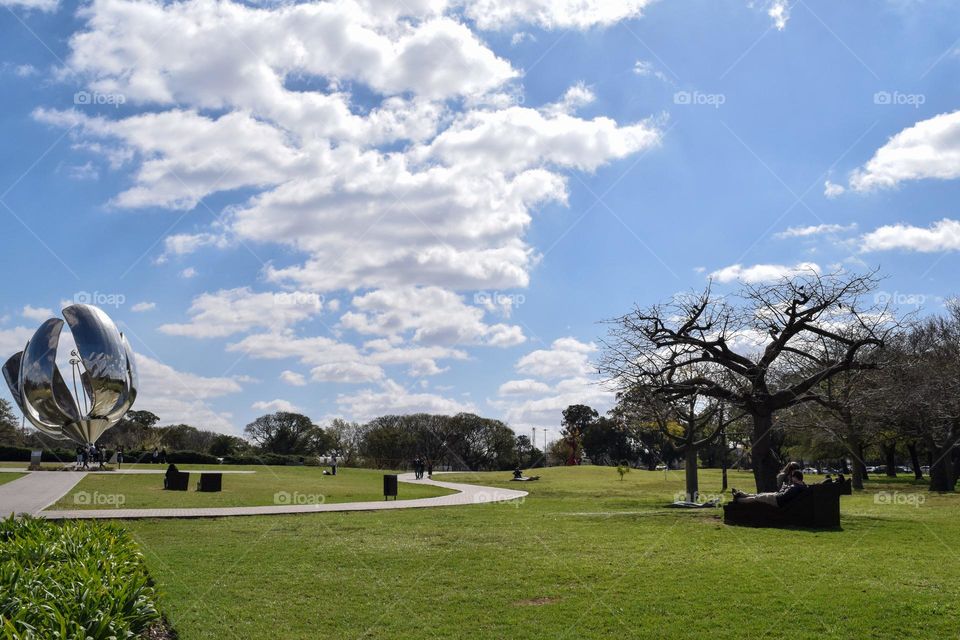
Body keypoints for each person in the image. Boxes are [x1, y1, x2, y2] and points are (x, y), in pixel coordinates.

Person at [732, 470, 808, 507]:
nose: (791, 479)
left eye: (792, 477)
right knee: (759, 495)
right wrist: (785, 488)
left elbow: (783, 497)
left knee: (756, 498)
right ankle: (741, 494)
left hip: (776, 500)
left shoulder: (795, 487)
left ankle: (738, 499)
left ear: (795, 478)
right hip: (776, 497)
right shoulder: (801, 486)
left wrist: (783, 488)